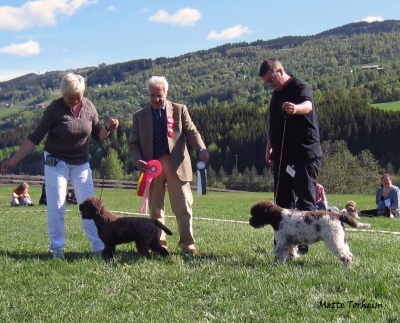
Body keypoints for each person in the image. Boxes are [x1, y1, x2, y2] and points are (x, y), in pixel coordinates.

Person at [1, 73, 119, 259]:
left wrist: (109, 127)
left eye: (77, 97)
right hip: (56, 160)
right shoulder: (54, 110)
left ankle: (99, 247)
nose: (74, 101)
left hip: (80, 162)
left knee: (91, 206)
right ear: (63, 94)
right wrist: (14, 160)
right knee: (56, 204)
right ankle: (57, 249)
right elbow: (35, 137)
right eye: (70, 98)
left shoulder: (89, 107)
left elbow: (99, 135)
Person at [129, 76, 209, 255]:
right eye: (152, 96)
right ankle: (159, 246)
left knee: (183, 207)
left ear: (166, 93)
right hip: (152, 167)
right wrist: (137, 161)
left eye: (159, 95)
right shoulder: (139, 116)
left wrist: (201, 149)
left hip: (177, 165)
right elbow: (133, 143)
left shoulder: (180, 110)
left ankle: (188, 246)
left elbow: (192, 132)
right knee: (155, 210)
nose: (156, 99)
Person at [259, 58, 323, 254]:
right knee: (282, 202)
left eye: (271, 80)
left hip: (304, 154)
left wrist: (296, 109)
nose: (270, 85)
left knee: (305, 200)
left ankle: (304, 245)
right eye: (266, 83)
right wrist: (271, 144)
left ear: (280, 71)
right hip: (282, 156)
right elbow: (276, 124)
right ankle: (282, 246)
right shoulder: (275, 95)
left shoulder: (300, 86)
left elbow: (308, 105)